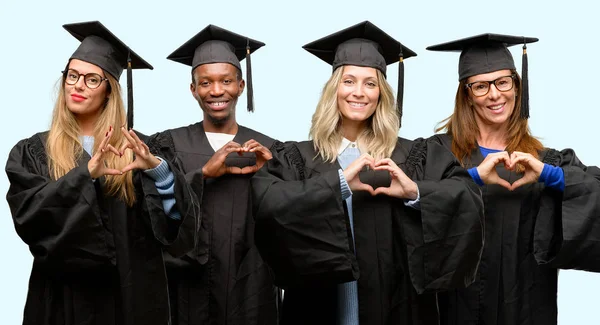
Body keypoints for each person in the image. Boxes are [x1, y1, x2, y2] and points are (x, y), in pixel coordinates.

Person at [251, 20, 485, 325]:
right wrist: (338, 184)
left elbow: (467, 196)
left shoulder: (413, 155)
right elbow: (267, 204)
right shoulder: (298, 157)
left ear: (381, 94)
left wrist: (414, 192)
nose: (358, 93)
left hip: (398, 307)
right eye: (349, 81)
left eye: (370, 83)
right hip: (318, 307)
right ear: (334, 90)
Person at [5, 21, 198, 325]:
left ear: (109, 90)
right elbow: (30, 219)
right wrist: (85, 175)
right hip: (61, 299)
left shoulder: (141, 149)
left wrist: (160, 173)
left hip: (130, 299)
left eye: (92, 79)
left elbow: (174, 233)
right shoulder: (34, 151)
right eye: (72, 75)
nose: (78, 85)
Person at [428, 33, 600, 325]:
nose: (495, 94)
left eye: (503, 82)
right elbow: (411, 202)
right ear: (467, 95)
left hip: (529, 307)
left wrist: (550, 175)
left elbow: (594, 191)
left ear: (517, 88)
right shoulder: (436, 154)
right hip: (457, 308)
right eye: (481, 86)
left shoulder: (547, 161)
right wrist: (471, 179)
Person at [147, 25, 278, 325]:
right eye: (205, 83)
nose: (216, 91)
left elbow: (285, 224)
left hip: (252, 290)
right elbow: (154, 217)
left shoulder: (270, 150)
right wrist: (202, 174)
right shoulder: (168, 146)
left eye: (226, 81)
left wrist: (272, 174)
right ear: (193, 89)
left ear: (241, 86)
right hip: (187, 290)